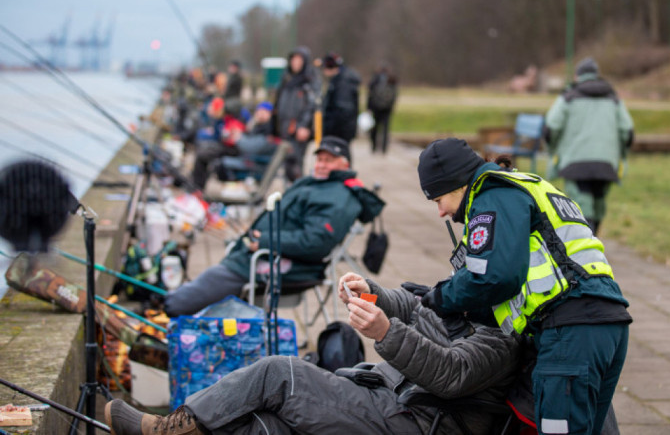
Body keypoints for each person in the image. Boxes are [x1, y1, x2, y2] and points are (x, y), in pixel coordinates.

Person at [105, 269, 521, 435]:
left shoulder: (503, 332)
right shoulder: (475, 299)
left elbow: (452, 373)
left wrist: (384, 332)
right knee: (264, 422)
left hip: (416, 419)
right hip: (392, 397)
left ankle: (167, 429)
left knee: (279, 372)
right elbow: (418, 305)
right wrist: (373, 294)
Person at [416, 137, 631, 435]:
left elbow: (493, 277)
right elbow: (517, 284)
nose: (440, 212)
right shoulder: (522, 185)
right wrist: (461, 307)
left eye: (438, 200)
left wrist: (441, 297)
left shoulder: (493, 196)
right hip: (605, 322)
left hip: (569, 332)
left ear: (458, 184)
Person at [164, 136, 383, 316]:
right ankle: (171, 301)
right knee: (212, 278)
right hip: (262, 252)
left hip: (286, 264)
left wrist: (264, 241)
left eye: (329, 160)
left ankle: (168, 307)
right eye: (319, 159)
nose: (321, 165)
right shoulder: (320, 183)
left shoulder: (338, 197)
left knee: (186, 299)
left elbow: (316, 243)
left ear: (346, 164)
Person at [543, 57, 634, 234]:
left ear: (577, 76)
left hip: (575, 164)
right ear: (596, 75)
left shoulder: (568, 97)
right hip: (606, 164)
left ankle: (586, 247)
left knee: (581, 208)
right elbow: (627, 131)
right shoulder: (613, 98)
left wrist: (553, 150)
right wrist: (621, 154)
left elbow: (551, 128)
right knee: (598, 204)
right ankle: (593, 239)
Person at [274, 46, 318, 182]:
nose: (296, 63)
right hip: (284, 127)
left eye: (299, 60)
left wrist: (304, 126)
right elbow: (278, 101)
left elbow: (312, 105)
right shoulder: (287, 79)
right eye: (294, 60)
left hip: (298, 128)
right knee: (285, 164)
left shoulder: (310, 80)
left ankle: (298, 192)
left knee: (296, 164)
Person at [190, 97, 244, 191]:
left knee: (202, 154)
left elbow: (231, 138)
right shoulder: (222, 119)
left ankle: (198, 187)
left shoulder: (232, 120)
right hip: (225, 146)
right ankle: (197, 185)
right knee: (202, 150)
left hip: (232, 148)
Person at [320, 52, 360, 143]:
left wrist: (330, 127)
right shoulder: (338, 79)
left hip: (339, 131)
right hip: (339, 129)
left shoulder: (343, 82)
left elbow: (343, 109)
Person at [367, 63, 398, 154]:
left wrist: (368, 107)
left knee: (374, 128)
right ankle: (384, 148)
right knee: (385, 129)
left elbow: (370, 94)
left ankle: (374, 147)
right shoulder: (391, 79)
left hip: (375, 108)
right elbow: (395, 94)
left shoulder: (375, 79)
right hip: (387, 109)